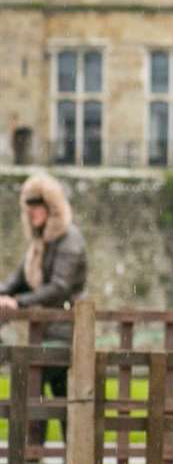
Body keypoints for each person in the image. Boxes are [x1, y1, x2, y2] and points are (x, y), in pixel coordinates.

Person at [0, 174, 88, 447]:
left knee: (35, 382)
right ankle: (39, 457)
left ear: (52, 210)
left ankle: (35, 455)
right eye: (30, 208)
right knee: (50, 396)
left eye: (38, 207)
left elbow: (59, 287)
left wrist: (20, 302)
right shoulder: (39, 245)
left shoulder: (69, 240)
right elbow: (18, 280)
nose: (33, 213)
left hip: (66, 333)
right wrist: (3, 295)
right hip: (46, 332)